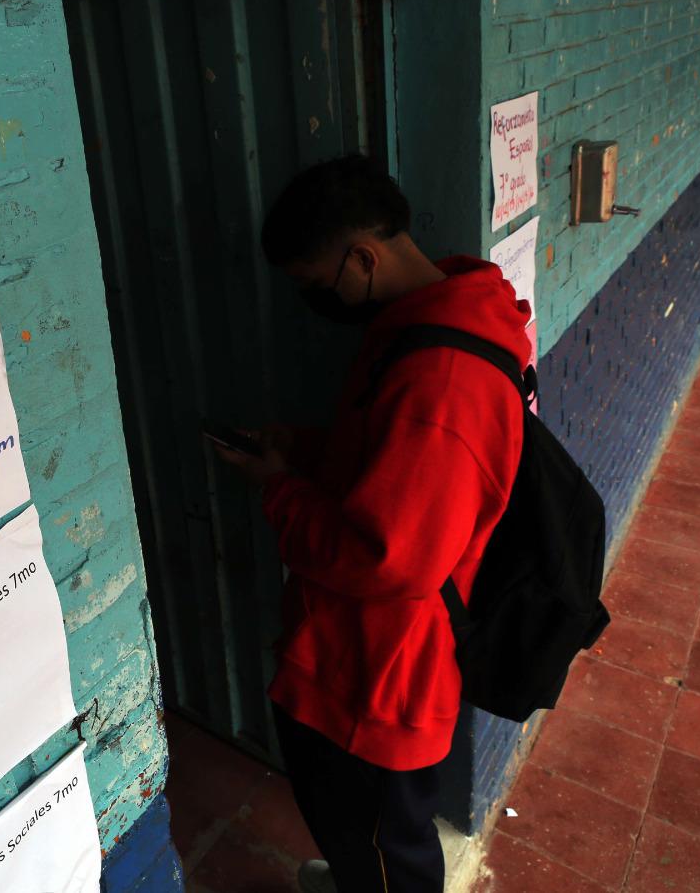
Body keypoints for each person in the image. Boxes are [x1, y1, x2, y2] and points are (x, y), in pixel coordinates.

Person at [212, 154, 531, 893]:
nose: (314, 301)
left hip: (384, 674)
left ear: (362, 256)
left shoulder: (440, 378)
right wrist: (308, 450)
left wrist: (281, 490)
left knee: (388, 849)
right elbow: (391, 468)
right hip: (359, 653)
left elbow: (391, 560)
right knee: (364, 842)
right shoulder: (423, 322)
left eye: (315, 285)